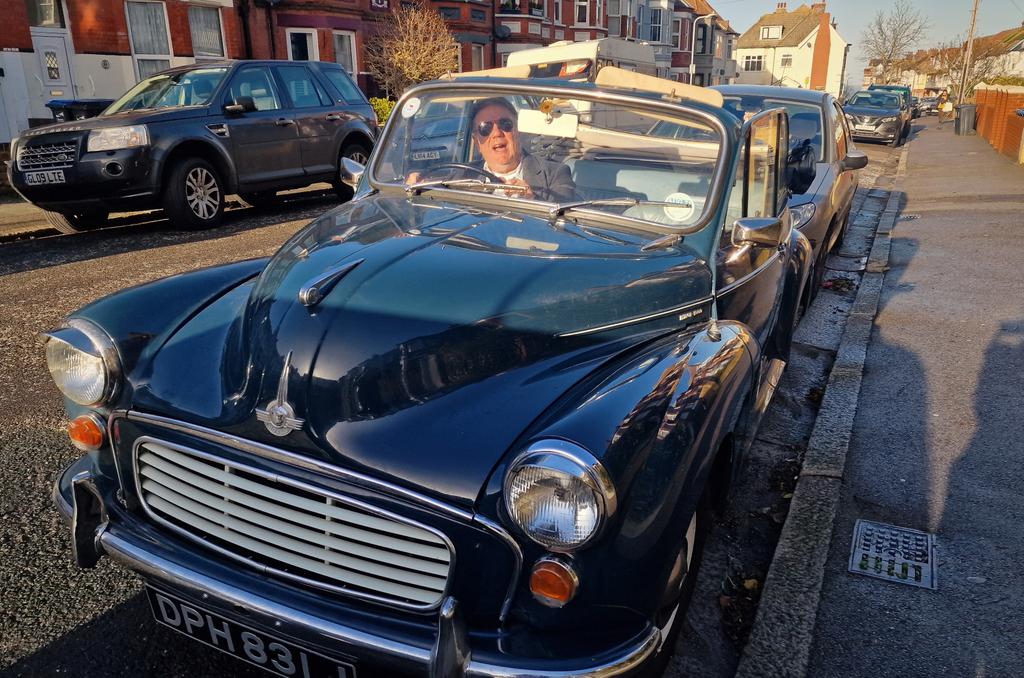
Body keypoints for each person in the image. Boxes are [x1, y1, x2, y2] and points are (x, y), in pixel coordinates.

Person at [409, 97, 576, 203]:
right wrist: (415, 187)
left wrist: (533, 199)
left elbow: (568, 221)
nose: (496, 133)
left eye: (505, 124)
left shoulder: (555, 173)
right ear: (477, 141)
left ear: (517, 131)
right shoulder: (462, 176)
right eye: (485, 128)